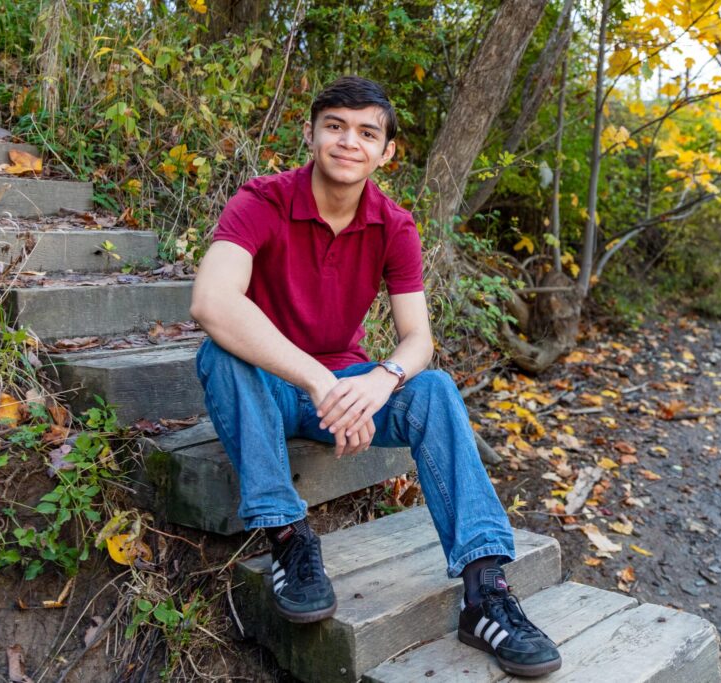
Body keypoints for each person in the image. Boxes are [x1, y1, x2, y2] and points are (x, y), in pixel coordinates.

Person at [189, 75, 561, 677]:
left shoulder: (394, 224)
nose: (348, 142)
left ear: (386, 151)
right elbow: (210, 301)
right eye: (334, 126)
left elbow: (418, 340)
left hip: (348, 386)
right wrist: (319, 381)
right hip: (269, 386)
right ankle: (287, 536)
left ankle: (485, 591)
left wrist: (379, 381)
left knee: (434, 388)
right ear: (310, 134)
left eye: (367, 132)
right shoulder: (261, 201)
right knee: (221, 354)